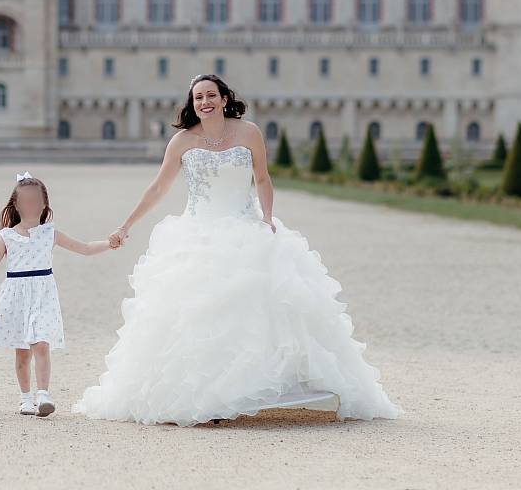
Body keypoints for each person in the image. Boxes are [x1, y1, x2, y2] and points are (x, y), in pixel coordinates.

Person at [74, 74, 401, 426]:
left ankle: (256, 388)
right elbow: (158, 188)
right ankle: (202, 397)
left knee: (266, 308)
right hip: (197, 233)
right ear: (191, 104)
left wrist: (269, 217)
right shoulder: (182, 141)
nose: (204, 102)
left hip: (245, 227)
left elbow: (262, 178)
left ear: (225, 97)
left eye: (210, 95)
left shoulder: (248, 133)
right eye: (198, 97)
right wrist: (126, 225)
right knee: (196, 315)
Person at [0, 172, 119, 417]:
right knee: (22, 353)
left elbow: (85, 248)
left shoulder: (51, 233)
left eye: (35, 200)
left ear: (43, 204)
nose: (30, 205)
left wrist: (109, 243)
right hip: (16, 295)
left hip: (42, 293)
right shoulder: (6, 236)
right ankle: (25, 397)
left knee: (41, 343)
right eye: (25, 201)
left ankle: (43, 395)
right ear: (17, 205)